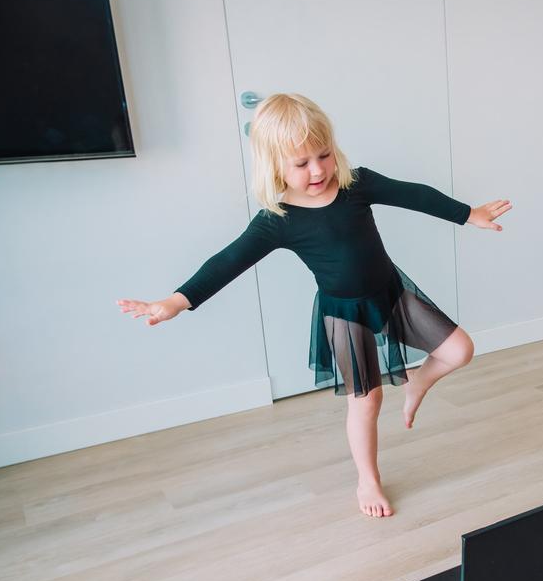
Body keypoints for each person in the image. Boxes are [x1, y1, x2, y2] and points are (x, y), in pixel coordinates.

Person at [117, 93, 510, 518]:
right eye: (301, 164)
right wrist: (176, 302)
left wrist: (467, 213)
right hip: (344, 315)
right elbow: (228, 262)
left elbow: (414, 194)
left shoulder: (357, 184)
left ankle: (417, 383)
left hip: (392, 294)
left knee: (459, 350)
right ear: (275, 166)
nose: (318, 170)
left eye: (323, 155)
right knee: (366, 401)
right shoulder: (278, 218)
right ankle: (368, 479)